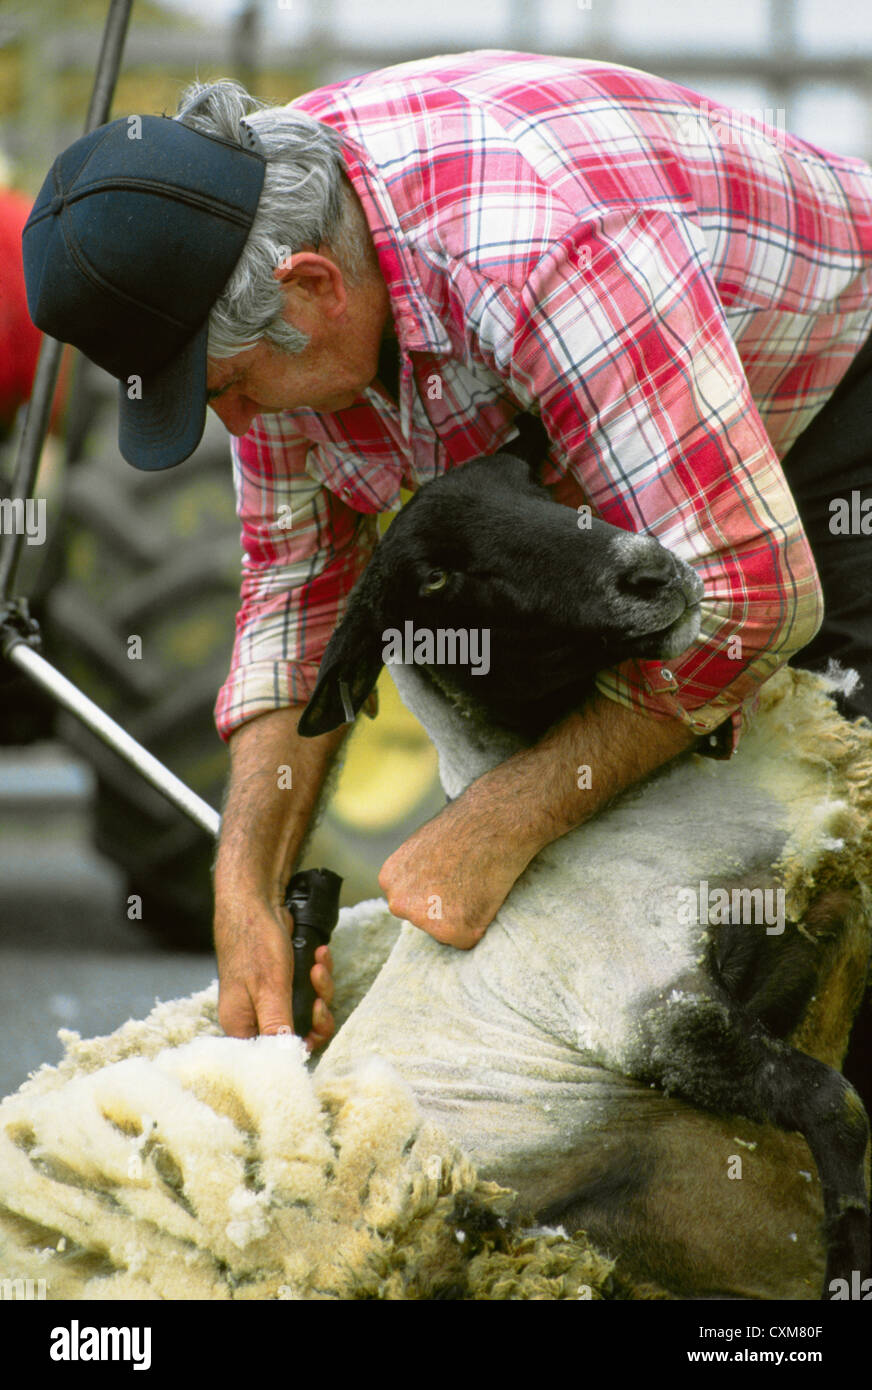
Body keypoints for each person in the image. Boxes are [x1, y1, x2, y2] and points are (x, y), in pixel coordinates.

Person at [22, 54, 872, 1089]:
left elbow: (747, 594)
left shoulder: (542, 248)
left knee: (835, 827)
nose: (234, 424)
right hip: (624, 405)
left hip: (836, 376)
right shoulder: (257, 259)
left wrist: (491, 824)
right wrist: (243, 887)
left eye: (232, 387)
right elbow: (294, 592)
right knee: (618, 815)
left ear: (313, 289)